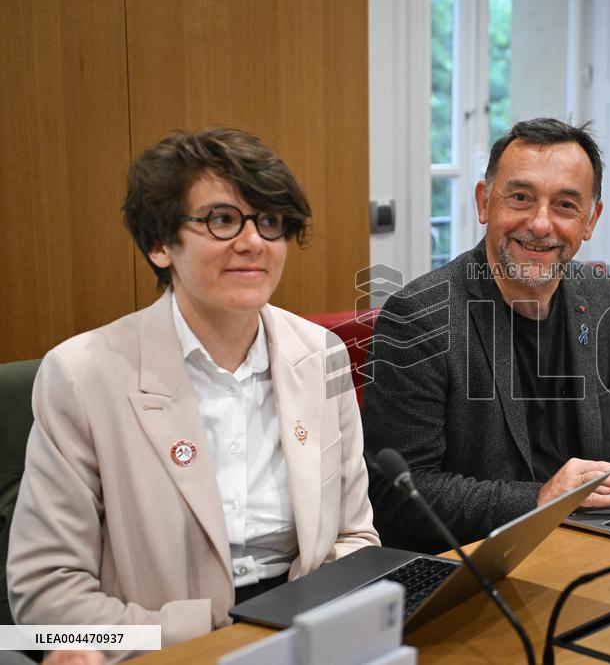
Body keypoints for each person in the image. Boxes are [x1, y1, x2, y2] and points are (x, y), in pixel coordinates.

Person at [7, 128, 379, 651]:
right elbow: (44, 596)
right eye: (222, 220)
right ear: (161, 244)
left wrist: (308, 626)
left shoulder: (321, 354)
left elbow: (354, 536)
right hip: (166, 644)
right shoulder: (81, 374)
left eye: (270, 222)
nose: (253, 242)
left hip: (305, 632)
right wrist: (208, 638)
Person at [361, 118, 610, 554]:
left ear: (590, 220)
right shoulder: (420, 316)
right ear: (484, 202)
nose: (541, 224)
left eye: (565, 205)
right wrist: (539, 500)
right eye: (521, 198)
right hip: (477, 563)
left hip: (589, 544)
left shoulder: (600, 295)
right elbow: (401, 492)